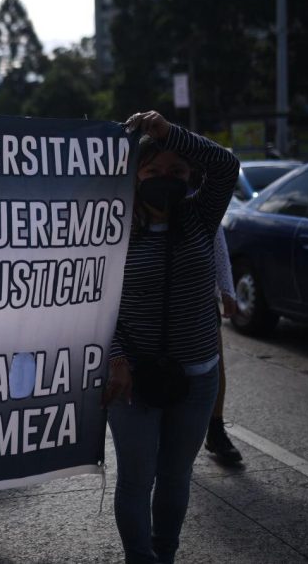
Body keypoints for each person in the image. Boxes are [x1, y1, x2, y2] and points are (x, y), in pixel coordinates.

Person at [103, 111, 238, 564]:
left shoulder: (200, 215)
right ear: (134, 175)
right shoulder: (109, 228)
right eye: (153, 170)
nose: (165, 178)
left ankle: (166, 555)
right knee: (136, 480)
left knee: (176, 476)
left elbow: (226, 167)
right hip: (133, 380)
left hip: (198, 378)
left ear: (189, 177)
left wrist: (171, 134)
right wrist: (116, 356)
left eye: (176, 171)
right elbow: (95, 303)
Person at [204, 227, 243, 464]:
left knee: (215, 366)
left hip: (201, 299)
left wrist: (227, 290)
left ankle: (215, 429)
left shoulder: (200, 195)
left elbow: (217, 242)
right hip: (153, 298)